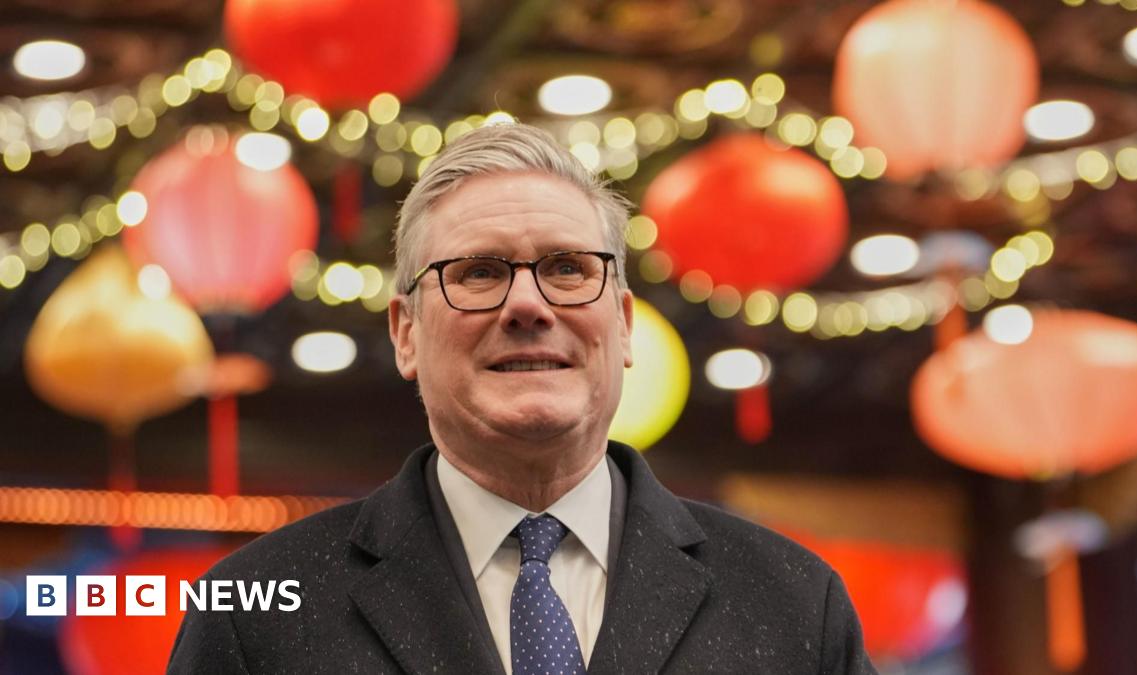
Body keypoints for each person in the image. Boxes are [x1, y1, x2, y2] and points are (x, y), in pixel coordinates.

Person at [167, 123, 876, 674]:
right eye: (478, 271)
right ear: (405, 331)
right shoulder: (256, 616)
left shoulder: (794, 603)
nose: (528, 305)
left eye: (567, 267)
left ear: (623, 323)